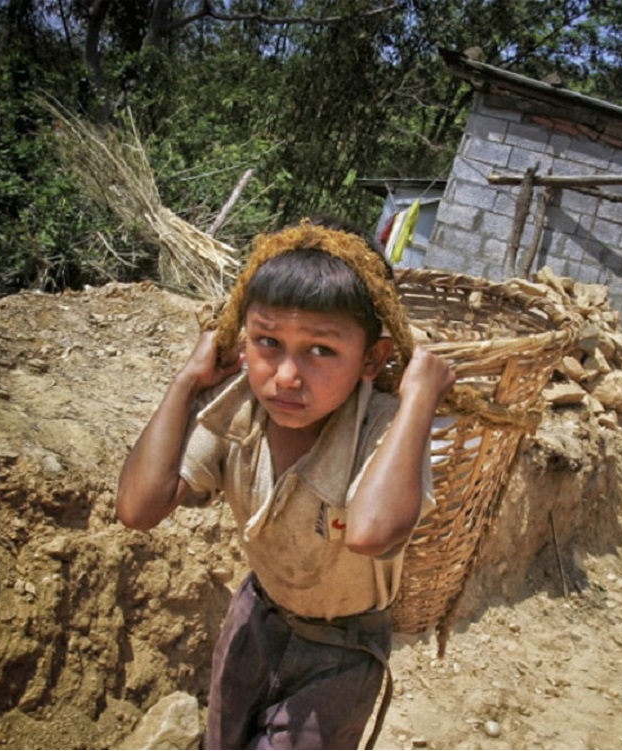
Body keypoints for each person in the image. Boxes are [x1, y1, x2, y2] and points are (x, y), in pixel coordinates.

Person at [115, 218, 456, 750]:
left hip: (342, 654)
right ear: (241, 342)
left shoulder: (387, 431)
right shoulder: (239, 412)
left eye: (321, 350)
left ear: (373, 359)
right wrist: (186, 381)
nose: (287, 376)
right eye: (267, 341)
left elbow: (369, 533)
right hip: (256, 617)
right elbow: (138, 507)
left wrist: (419, 400)